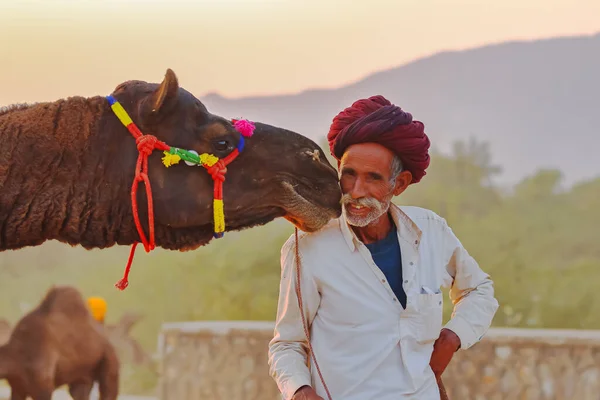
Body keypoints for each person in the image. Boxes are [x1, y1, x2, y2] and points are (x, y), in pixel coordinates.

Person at [267, 95, 499, 400]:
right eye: (348, 174)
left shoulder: (430, 230)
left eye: (372, 178)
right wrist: (299, 391)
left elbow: (479, 290)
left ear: (399, 184)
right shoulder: (308, 247)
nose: (356, 191)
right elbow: (287, 344)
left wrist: (451, 337)